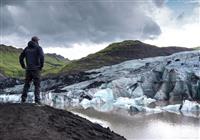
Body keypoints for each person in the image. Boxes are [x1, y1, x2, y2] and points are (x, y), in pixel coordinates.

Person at [19, 36, 44, 104]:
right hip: (36, 69)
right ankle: (37, 101)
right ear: (36, 41)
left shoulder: (26, 48)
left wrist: (23, 66)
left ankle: (23, 100)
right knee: (37, 85)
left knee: (26, 84)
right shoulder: (39, 48)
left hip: (28, 69)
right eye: (38, 40)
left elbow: (21, 57)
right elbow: (42, 57)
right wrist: (41, 66)